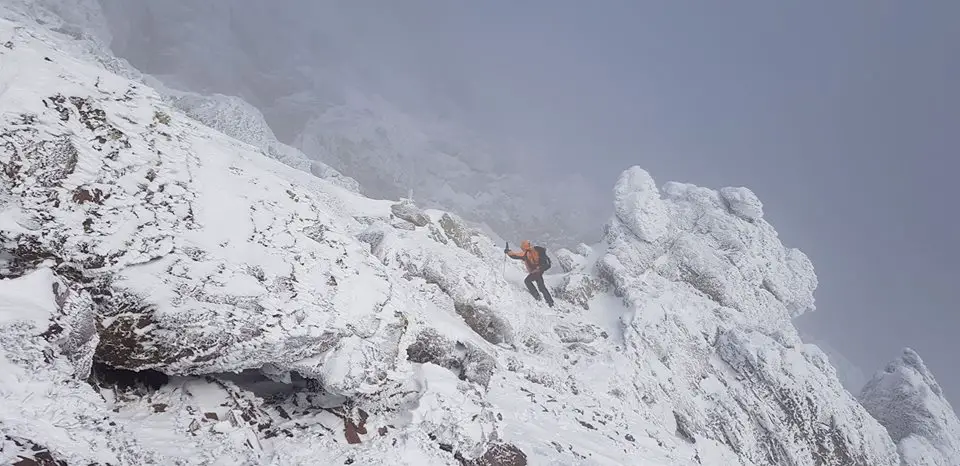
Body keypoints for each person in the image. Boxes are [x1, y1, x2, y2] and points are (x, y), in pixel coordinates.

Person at [504, 240, 555, 307]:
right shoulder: (535, 250)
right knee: (541, 286)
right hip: (539, 270)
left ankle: (537, 297)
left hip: (536, 270)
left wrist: (508, 251)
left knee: (527, 281)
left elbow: (515, 255)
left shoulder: (526, 253)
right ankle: (550, 302)